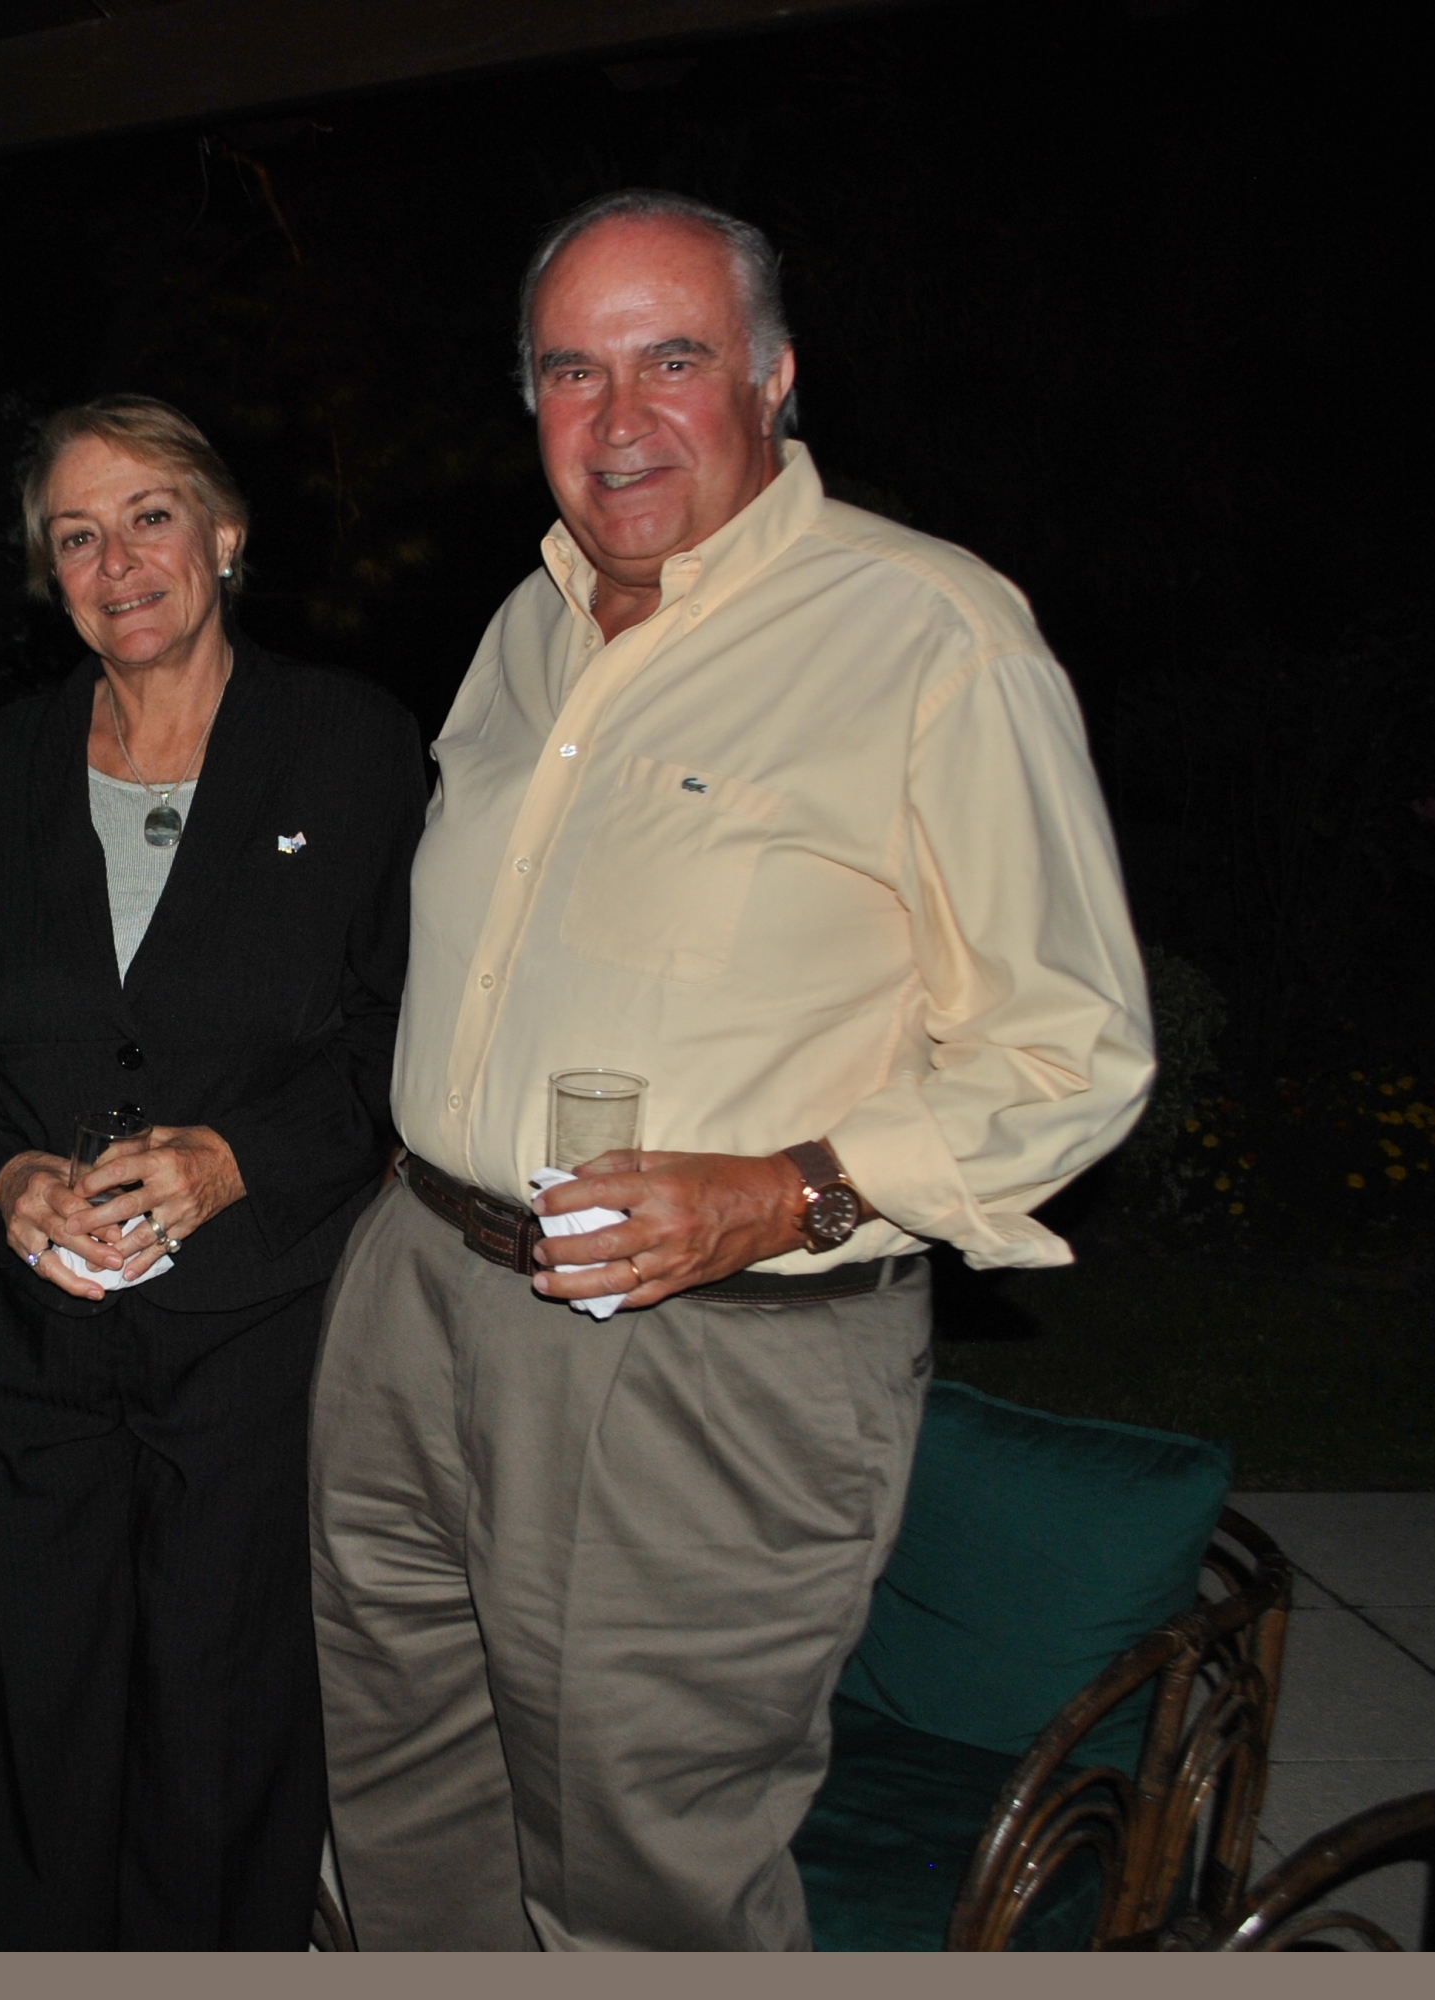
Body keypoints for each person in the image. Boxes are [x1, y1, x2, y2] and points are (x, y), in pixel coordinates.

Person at [308, 189, 1155, 1952]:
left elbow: (1073, 1045)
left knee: (645, 1881)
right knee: (403, 1820)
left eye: (671, 360)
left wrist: (791, 1190)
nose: (617, 419)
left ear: (772, 379)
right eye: (571, 370)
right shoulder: (528, 624)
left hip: (703, 1351)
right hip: (419, 1297)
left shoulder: (932, 634)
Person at [0, 397, 424, 1948]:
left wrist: (237, 1160)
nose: (117, 561)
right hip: (36, 1344)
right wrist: (4, 1174)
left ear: (225, 534)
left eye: (149, 516)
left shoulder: (352, 746)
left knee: (226, 1715)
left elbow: (405, 1029)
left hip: (260, 1334)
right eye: (76, 535)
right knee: (44, 1712)